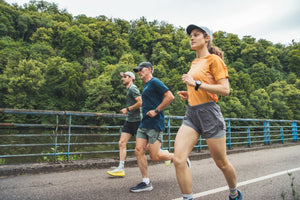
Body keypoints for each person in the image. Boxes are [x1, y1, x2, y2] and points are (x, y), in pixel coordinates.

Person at [173, 24, 243, 200]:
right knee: (179, 159)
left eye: (196, 34)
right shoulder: (195, 62)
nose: (192, 37)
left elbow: (225, 90)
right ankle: (187, 197)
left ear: (206, 38)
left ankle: (234, 193)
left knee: (221, 163)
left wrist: (196, 84)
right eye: (190, 35)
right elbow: (200, 88)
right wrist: (189, 93)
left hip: (209, 114)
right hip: (191, 114)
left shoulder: (214, 60)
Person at [129, 62, 174, 192]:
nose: (139, 72)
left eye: (140, 70)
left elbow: (170, 97)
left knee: (154, 156)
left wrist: (156, 110)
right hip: (144, 124)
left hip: (155, 123)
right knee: (138, 150)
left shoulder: (155, 82)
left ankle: (176, 158)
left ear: (149, 69)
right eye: (137, 71)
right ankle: (146, 182)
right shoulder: (147, 85)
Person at [107, 71, 142, 177]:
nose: (123, 79)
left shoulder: (133, 88)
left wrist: (128, 109)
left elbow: (140, 102)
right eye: (123, 77)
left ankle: (169, 156)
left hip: (137, 121)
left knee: (149, 146)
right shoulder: (129, 90)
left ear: (131, 78)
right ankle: (121, 168)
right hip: (129, 120)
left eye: (125, 77)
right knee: (122, 143)